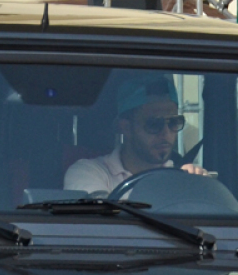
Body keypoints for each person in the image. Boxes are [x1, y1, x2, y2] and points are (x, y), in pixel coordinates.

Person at [63, 73, 206, 194]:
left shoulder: (182, 178)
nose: (166, 132)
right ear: (125, 127)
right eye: (154, 124)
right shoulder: (89, 172)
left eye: (174, 122)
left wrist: (195, 187)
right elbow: (100, 223)